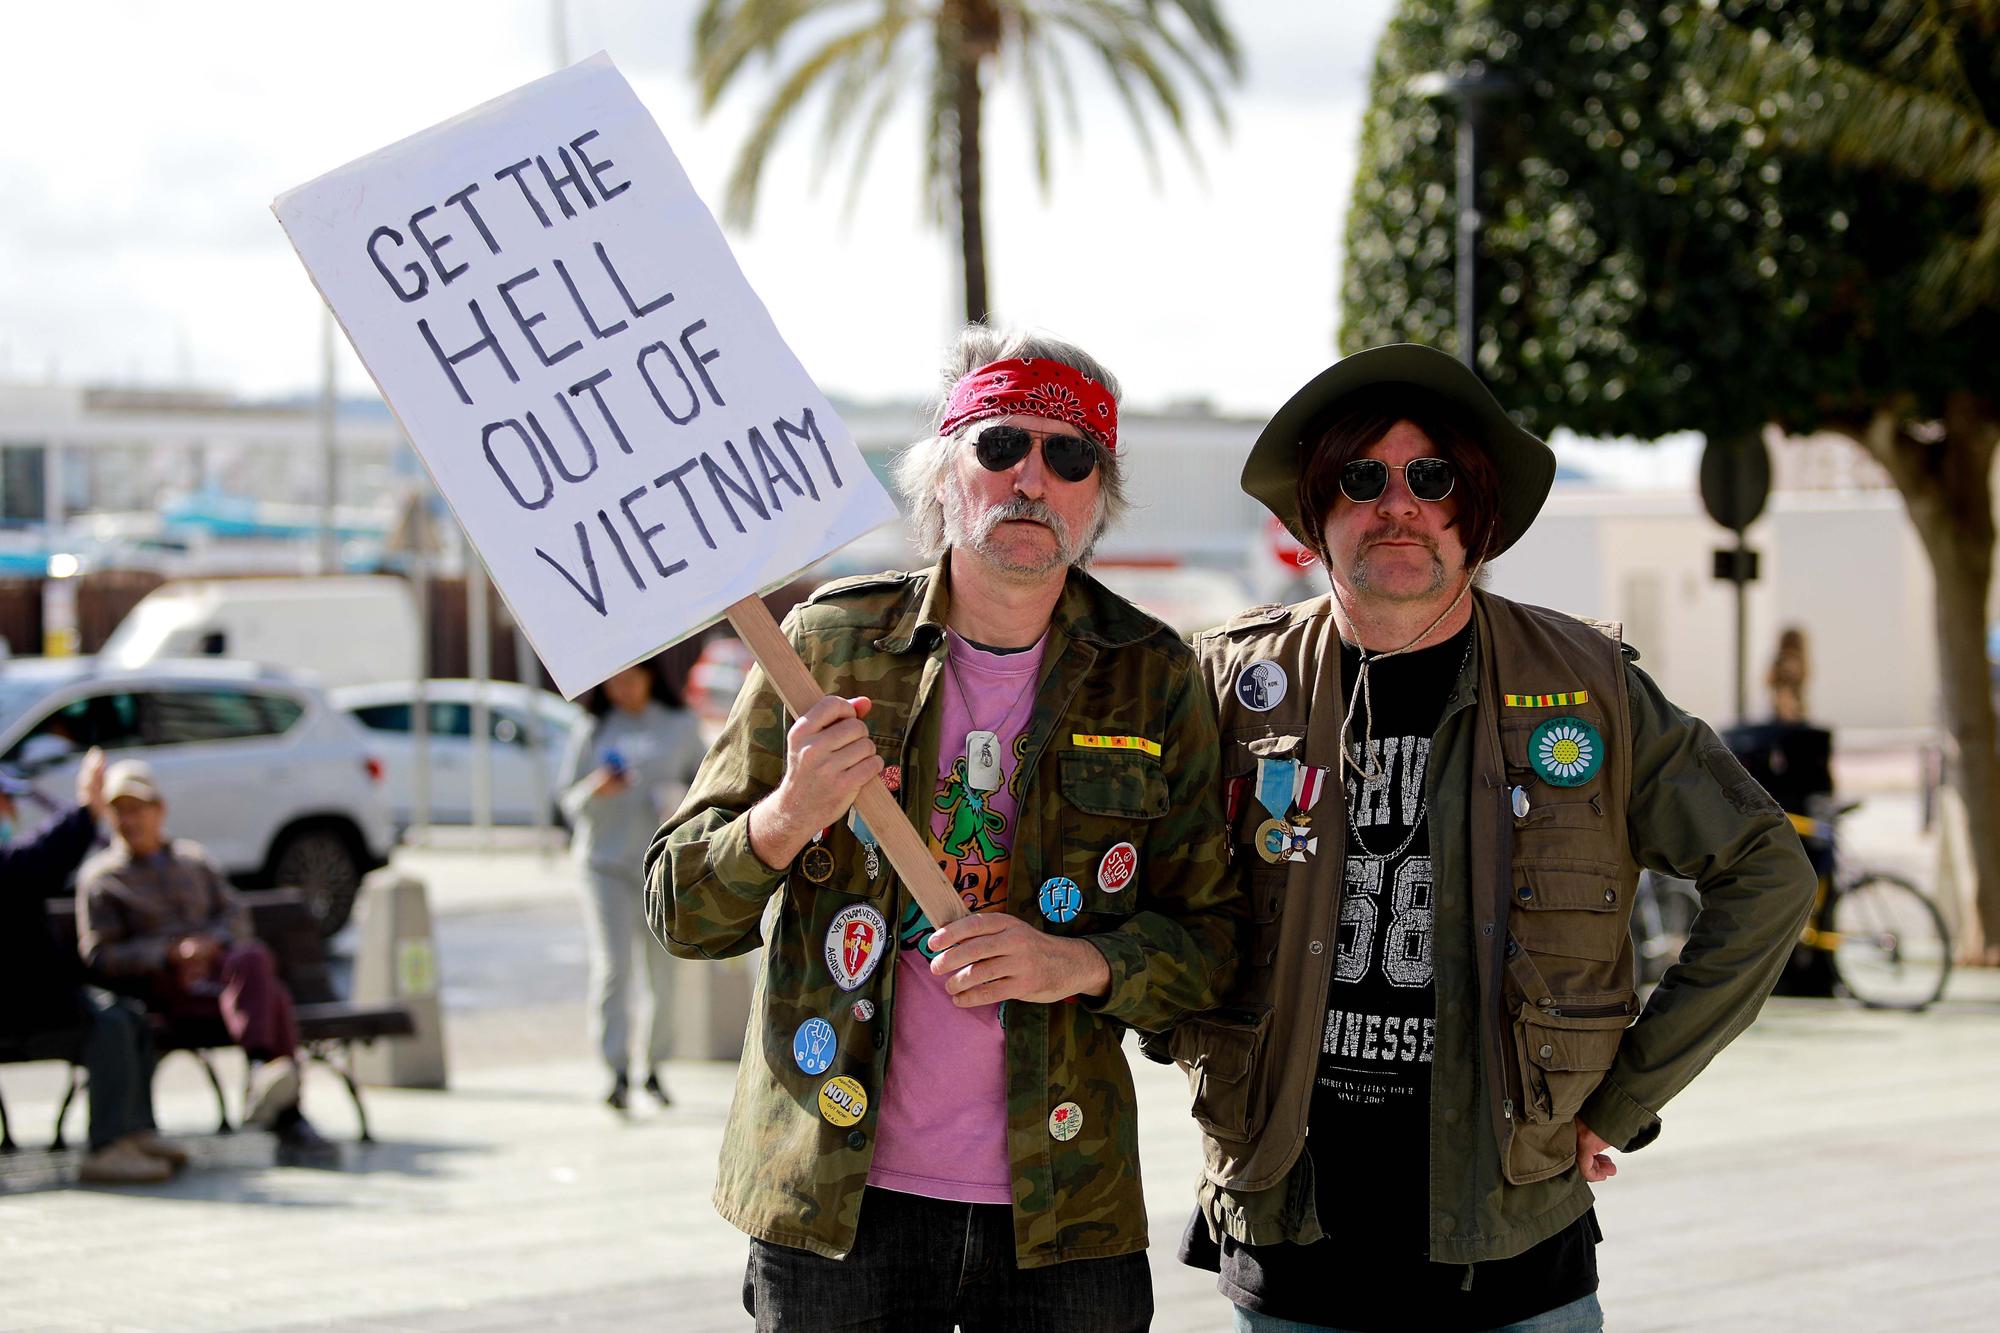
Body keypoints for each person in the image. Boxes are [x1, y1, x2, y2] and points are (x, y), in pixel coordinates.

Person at [1171, 344, 1816, 1332]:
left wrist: (1628, 1092)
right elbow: (1129, 883)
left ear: (1475, 514)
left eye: (1430, 479)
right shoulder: (1227, 687)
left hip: (1515, 1257)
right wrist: (1181, 1037)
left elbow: (1765, 872)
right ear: (1313, 516)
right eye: (1360, 478)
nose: (1397, 504)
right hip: (1292, 1250)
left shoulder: (1587, 686)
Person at [647, 327, 1242, 1331]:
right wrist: (789, 815)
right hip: (837, 1208)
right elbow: (679, 909)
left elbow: (1214, 946)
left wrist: (1074, 965)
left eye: (1069, 456)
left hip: (1064, 1217)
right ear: (943, 473)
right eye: (1000, 444)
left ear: (1099, 494)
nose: (1032, 479)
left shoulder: (1152, 674)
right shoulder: (826, 646)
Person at [76, 760, 331, 1156]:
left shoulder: (194, 861)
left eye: (137, 808)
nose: (129, 820)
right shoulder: (103, 878)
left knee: (252, 958)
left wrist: (209, 944)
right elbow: (99, 954)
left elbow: (236, 916)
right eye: (119, 810)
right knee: (274, 996)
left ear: (160, 810)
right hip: (162, 992)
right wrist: (168, 954)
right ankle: (281, 1102)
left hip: (223, 983)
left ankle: (267, 1074)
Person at [1, 750, 185, 1185]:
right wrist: (86, 808)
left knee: (127, 1015)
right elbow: (36, 865)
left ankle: (134, 1130)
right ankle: (106, 1145)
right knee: (108, 1025)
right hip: (15, 1009)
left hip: (36, 998)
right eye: (4, 801)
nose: (10, 811)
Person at [558, 659, 707, 1111]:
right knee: (614, 967)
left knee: (664, 972)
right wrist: (595, 791)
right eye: (613, 682)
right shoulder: (593, 728)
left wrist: (681, 800)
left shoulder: (680, 726)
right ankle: (616, 1069)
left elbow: (711, 785)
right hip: (604, 865)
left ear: (650, 677)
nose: (622, 689)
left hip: (661, 868)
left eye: (630, 679)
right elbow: (567, 800)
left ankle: (655, 1066)